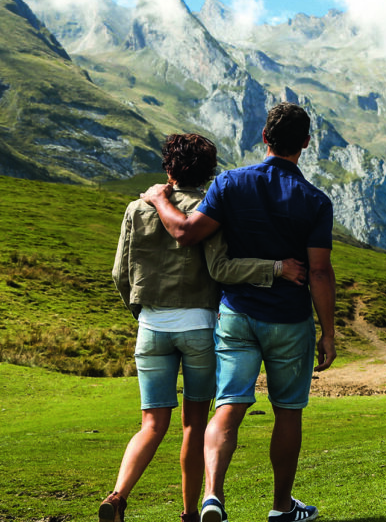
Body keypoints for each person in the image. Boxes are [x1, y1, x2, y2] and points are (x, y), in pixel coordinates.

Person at [142, 103, 336, 522]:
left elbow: (186, 232)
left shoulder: (230, 184)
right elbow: (319, 271)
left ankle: (212, 497)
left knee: (228, 404)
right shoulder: (316, 201)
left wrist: (159, 198)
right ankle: (282, 508)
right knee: (288, 410)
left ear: (264, 138)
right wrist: (329, 332)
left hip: (236, 315)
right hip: (289, 318)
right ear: (305, 143)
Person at [104, 133, 307, 522]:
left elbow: (120, 272)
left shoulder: (136, 208)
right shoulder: (210, 209)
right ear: (210, 171)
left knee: (151, 423)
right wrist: (276, 268)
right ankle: (190, 513)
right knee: (195, 425)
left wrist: (143, 313)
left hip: (151, 326)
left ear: (168, 168)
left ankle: (117, 496)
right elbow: (221, 270)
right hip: (198, 327)